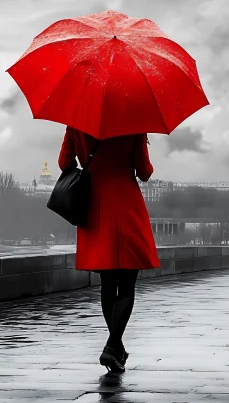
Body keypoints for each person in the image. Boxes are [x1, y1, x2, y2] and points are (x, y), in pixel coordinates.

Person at [58, 127, 160, 374]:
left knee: (108, 284)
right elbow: (145, 172)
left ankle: (115, 347)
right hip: (126, 203)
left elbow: (64, 163)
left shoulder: (77, 123)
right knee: (126, 286)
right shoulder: (133, 122)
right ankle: (113, 345)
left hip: (94, 204)